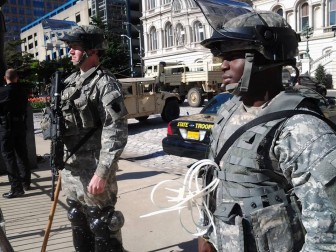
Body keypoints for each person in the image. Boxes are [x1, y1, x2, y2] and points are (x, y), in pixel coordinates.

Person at [193, 1, 336, 251]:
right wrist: (207, 234)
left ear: (267, 58)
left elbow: (327, 233)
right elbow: (213, 180)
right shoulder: (228, 111)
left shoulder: (302, 129)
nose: (223, 65)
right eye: (222, 57)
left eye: (234, 55)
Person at [57, 25, 128, 252]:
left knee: (102, 223)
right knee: (77, 217)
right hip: (72, 167)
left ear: (92, 50)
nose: (70, 52)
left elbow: (115, 130)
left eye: (75, 47)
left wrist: (102, 172)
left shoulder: (105, 83)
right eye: (70, 48)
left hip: (94, 169)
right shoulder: (68, 83)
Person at [0, 68, 30, 199]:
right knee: (22, 154)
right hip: (20, 126)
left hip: (6, 127)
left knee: (9, 156)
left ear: (5, 78)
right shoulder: (23, 91)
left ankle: (16, 187)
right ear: (17, 77)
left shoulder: (2, 92)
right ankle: (25, 182)